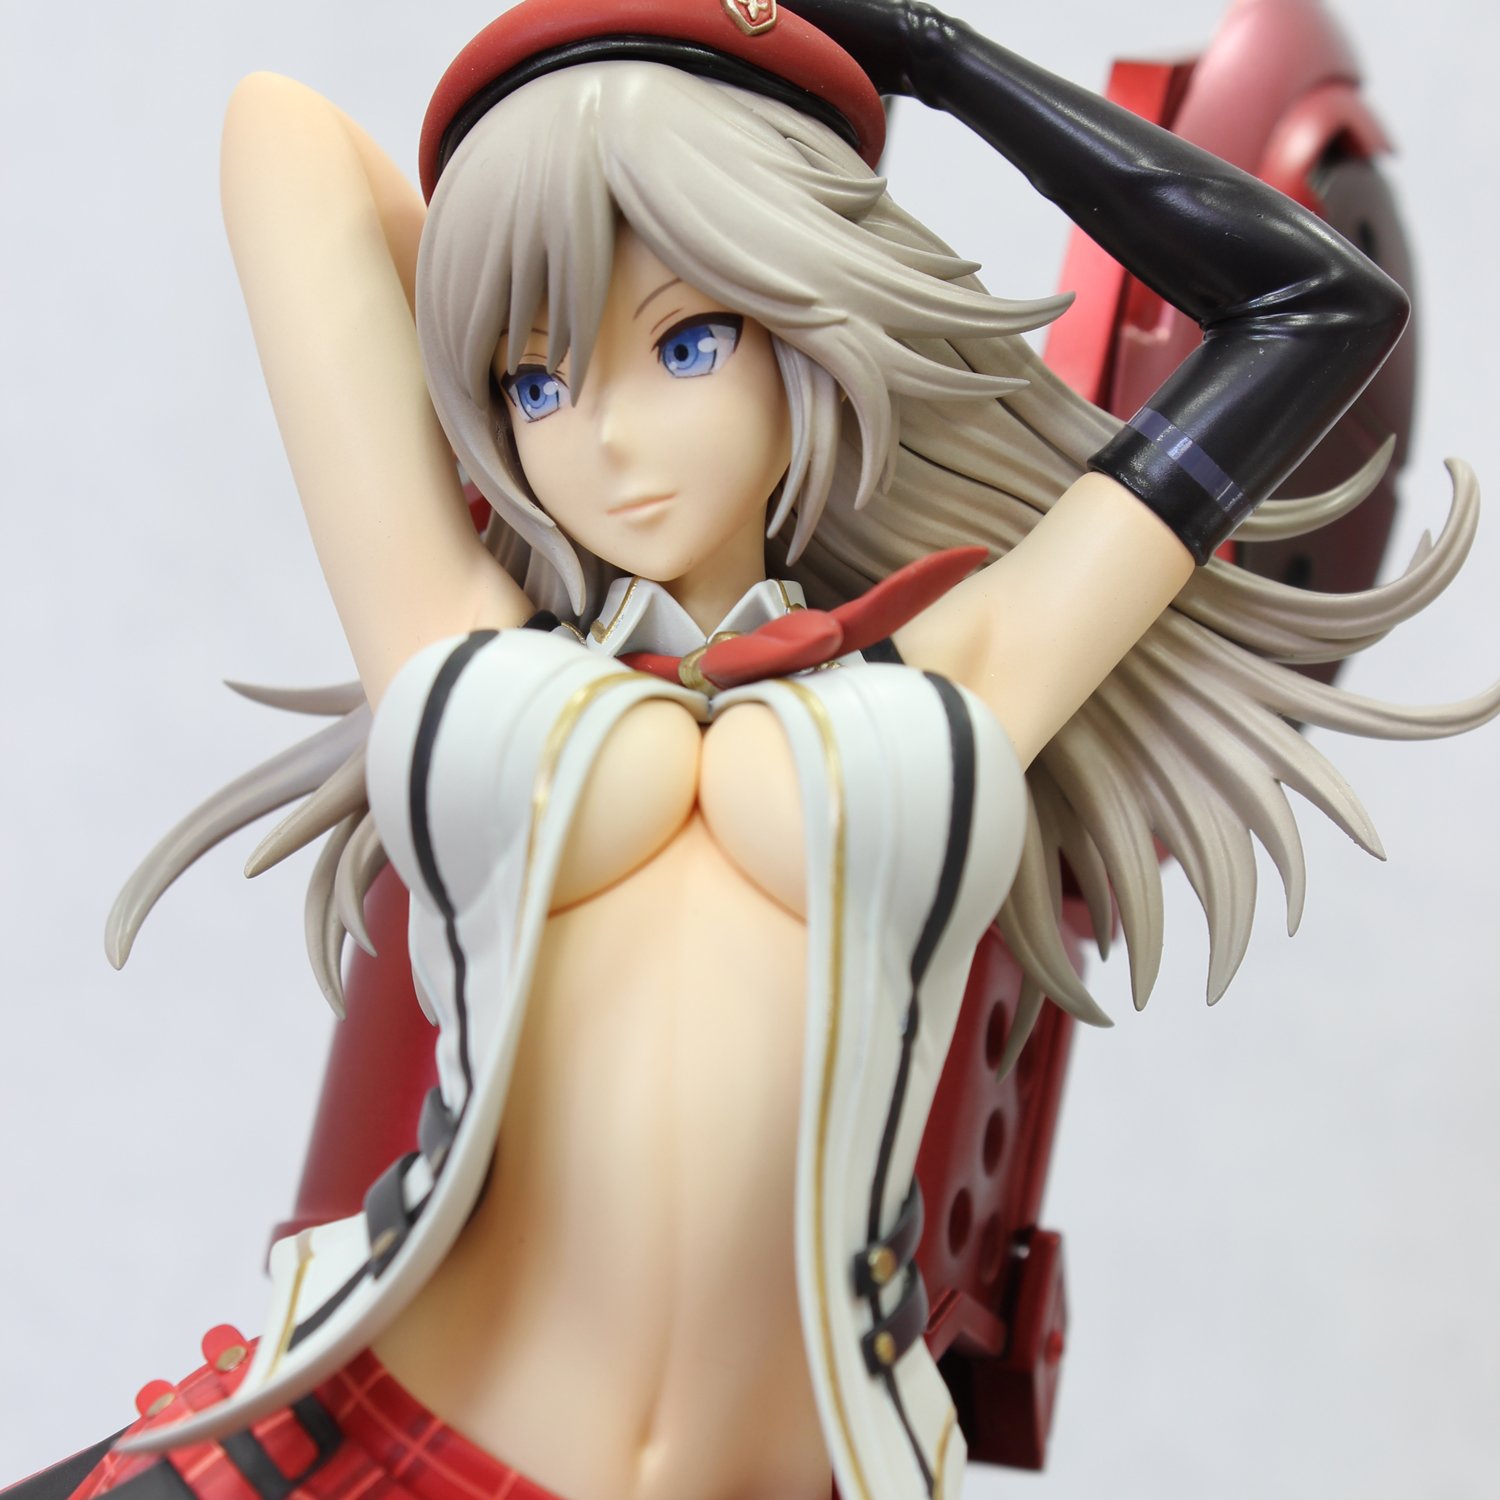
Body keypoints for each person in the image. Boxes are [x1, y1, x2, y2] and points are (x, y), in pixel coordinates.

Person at [17, 3, 1497, 1499]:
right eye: (538, 384)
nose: (605, 439)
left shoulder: (972, 666)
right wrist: (563, 189)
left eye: (688, 340)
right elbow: (281, 138)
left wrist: (930, 58)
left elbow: (1313, 305)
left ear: (811, 327)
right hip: (379, 1449)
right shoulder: (458, 636)